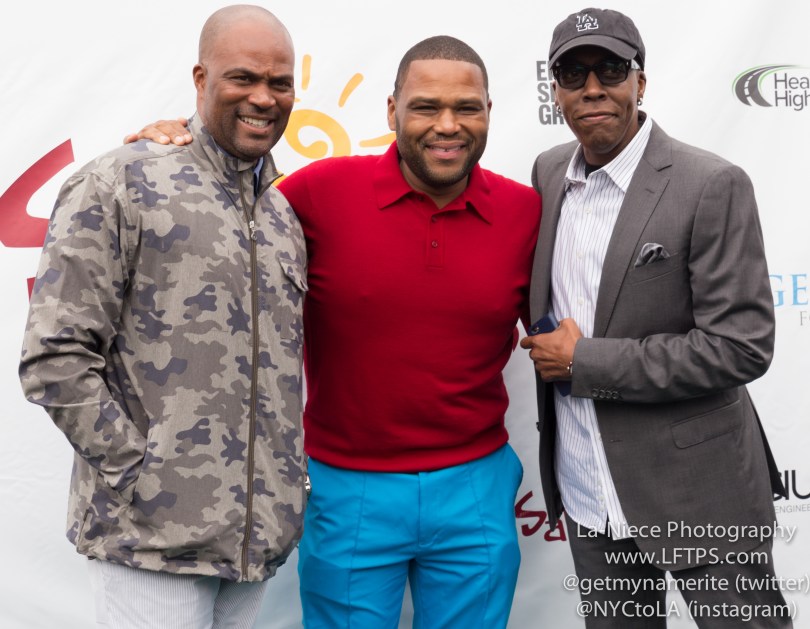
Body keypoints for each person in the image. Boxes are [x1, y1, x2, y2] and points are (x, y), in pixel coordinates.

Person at [130, 36, 541, 628]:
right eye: (426, 107)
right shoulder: (317, 194)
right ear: (392, 110)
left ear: (488, 112)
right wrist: (172, 148)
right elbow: (220, 207)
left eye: (466, 108)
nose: (447, 125)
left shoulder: (526, 210)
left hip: (476, 483)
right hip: (347, 488)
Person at [19, 6, 307, 629]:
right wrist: (142, 476)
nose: (264, 97)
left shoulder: (282, 216)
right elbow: (54, 358)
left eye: (280, 82)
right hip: (149, 546)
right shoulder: (120, 182)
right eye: (243, 78)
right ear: (201, 80)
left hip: (254, 549)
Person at [519, 7, 791, 628]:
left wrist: (583, 362)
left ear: (641, 82)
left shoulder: (711, 183)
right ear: (555, 89)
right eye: (573, 72)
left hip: (701, 494)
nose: (592, 88)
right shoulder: (547, 173)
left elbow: (741, 346)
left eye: (611, 69)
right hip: (590, 494)